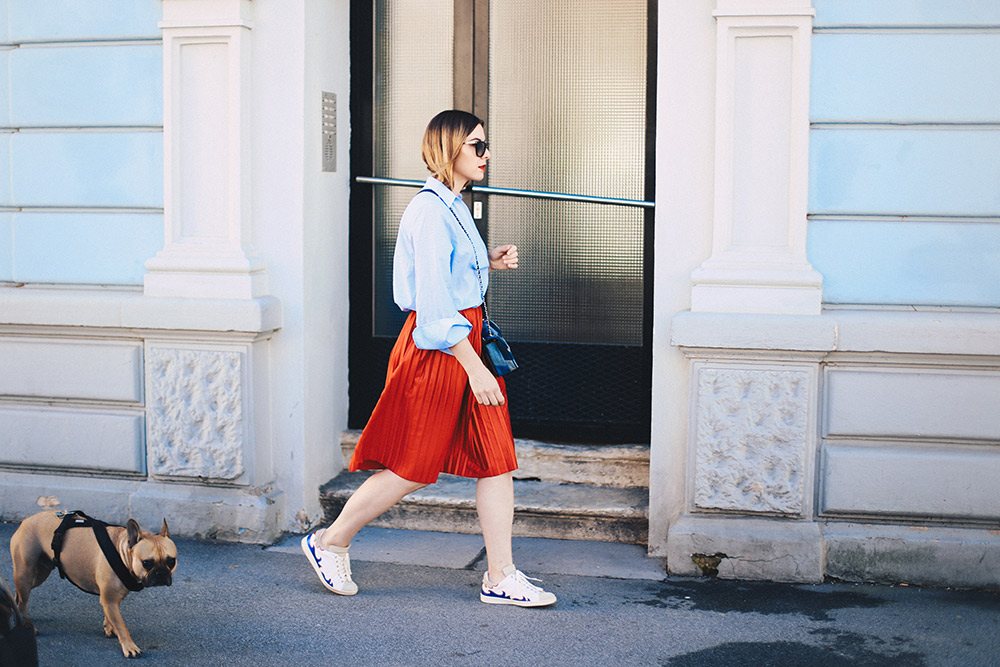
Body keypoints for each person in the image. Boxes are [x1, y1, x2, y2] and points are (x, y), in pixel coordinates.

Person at [302, 110, 556, 607]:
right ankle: (329, 540)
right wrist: (474, 365)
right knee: (414, 466)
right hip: (444, 350)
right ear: (450, 149)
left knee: (496, 461)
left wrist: (488, 260)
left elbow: (448, 276)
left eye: (486, 146)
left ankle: (500, 575)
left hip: (464, 342)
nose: (486, 155)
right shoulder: (429, 210)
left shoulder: (453, 205)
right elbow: (435, 307)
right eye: (477, 146)